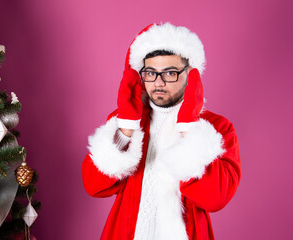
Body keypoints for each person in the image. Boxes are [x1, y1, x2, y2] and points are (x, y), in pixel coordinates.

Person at [82, 22, 241, 240]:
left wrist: (189, 128)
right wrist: (126, 130)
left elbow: (217, 198)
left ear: (190, 75)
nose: (158, 82)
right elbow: (94, 186)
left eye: (170, 73)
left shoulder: (216, 128)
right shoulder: (126, 121)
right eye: (150, 73)